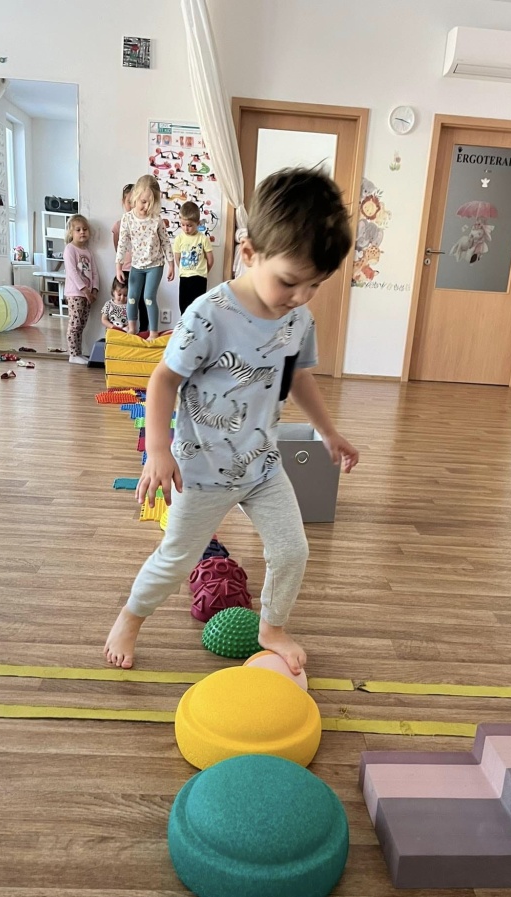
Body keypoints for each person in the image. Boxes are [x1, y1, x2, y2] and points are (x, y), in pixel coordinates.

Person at [104, 167, 359, 674]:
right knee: (177, 558)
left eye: (315, 285)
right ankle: (130, 617)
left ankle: (272, 627)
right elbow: (163, 380)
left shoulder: (298, 318)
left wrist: (329, 432)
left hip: (261, 466)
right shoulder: (208, 315)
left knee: (293, 551)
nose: (301, 296)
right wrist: (158, 451)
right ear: (249, 253)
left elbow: (298, 376)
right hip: (199, 472)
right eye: (290, 282)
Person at [115, 174, 174, 340]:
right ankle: (132, 328)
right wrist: (118, 266)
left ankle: (153, 333)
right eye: (143, 201)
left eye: (151, 203)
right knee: (132, 297)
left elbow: (166, 242)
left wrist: (171, 264)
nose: (146, 206)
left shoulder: (156, 220)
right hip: (136, 266)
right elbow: (122, 243)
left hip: (155, 265)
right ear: (135, 197)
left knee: (148, 297)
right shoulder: (127, 219)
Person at [112, 183, 148, 332]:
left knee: (144, 302)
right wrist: (121, 267)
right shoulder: (119, 225)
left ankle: (144, 331)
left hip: (143, 269)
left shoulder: (146, 224)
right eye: (129, 202)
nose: (132, 206)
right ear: (123, 202)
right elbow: (117, 248)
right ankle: (125, 331)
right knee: (126, 302)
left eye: (135, 202)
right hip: (127, 270)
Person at [63, 214, 99, 364]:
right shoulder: (70, 249)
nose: (82, 232)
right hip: (75, 293)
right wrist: (85, 290)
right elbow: (72, 272)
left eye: (85, 229)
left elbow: (94, 272)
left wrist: (95, 289)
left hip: (87, 294)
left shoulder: (88, 252)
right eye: (78, 230)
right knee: (75, 323)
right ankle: (73, 354)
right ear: (71, 233)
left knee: (82, 324)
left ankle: (78, 353)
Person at [173, 201, 214, 316]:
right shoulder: (179, 239)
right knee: (183, 307)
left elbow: (210, 260)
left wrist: (203, 272)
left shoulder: (203, 239)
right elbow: (177, 258)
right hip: (184, 277)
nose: (186, 228)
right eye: (183, 225)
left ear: (198, 223)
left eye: (189, 225)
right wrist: (184, 270)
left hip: (199, 278)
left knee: (198, 308)